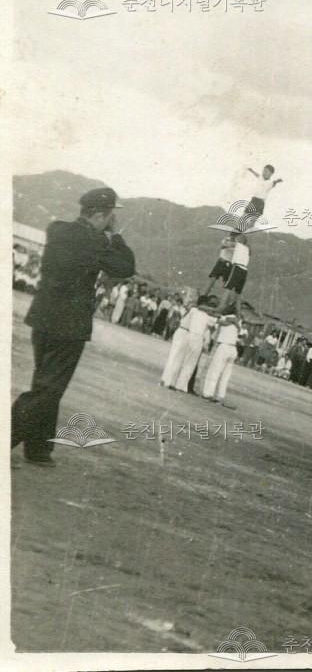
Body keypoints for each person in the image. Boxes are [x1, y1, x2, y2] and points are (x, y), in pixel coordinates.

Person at [12, 187, 135, 466]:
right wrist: (114, 236)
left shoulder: (57, 229)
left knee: (45, 382)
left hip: (42, 317)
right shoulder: (97, 241)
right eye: (111, 216)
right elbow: (125, 267)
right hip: (69, 325)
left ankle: (38, 448)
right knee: (49, 389)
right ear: (102, 215)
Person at [161, 295, 219, 390]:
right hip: (189, 334)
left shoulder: (194, 310)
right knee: (186, 361)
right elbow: (214, 320)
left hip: (187, 334)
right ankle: (178, 384)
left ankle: (171, 381)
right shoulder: (199, 312)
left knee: (178, 359)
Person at [201, 311, 240, 407]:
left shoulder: (225, 317)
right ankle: (220, 396)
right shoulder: (238, 320)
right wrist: (233, 321)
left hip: (224, 346)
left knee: (215, 371)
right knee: (225, 375)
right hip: (233, 348)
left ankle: (208, 393)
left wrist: (225, 319)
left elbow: (218, 321)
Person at [222, 233, 250, 313]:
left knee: (228, 287)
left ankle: (221, 307)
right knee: (238, 292)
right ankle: (238, 312)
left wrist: (228, 240)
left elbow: (225, 244)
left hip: (237, 267)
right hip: (244, 270)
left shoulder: (238, 245)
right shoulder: (247, 248)